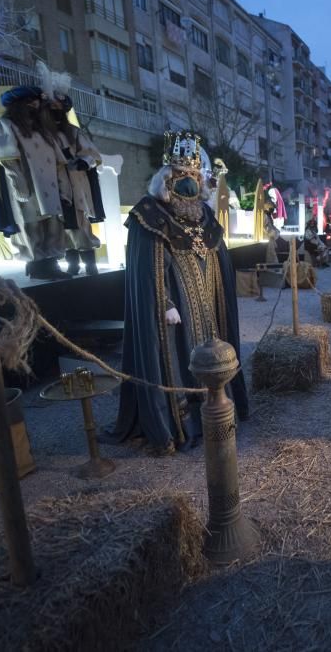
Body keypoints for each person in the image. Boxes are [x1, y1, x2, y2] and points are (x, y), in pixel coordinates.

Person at [111, 130, 249, 455]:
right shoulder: (150, 214)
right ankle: (182, 422)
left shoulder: (205, 215)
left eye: (193, 175)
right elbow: (149, 268)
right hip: (177, 312)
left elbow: (217, 253)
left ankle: (217, 409)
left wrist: (220, 292)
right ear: (166, 177)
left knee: (212, 352)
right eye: (180, 176)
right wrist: (165, 302)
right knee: (179, 358)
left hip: (207, 303)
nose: (188, 182)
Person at [0, 85, 72, 280]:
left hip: (49, 187)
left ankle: (51, 262)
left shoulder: (44, 132)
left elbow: (59, 163)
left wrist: (64, 189)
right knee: (31, 225)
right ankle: (36, 264)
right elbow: (7, 158)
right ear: (18, 105)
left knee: (52, 223)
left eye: (37, 101)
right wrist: (19, 184)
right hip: (28, 185)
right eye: (30, 102)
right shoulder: (6, 125)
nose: (35, 105)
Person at [39, 78, 106, 276]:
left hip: (75, 181)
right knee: (63, 226)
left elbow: (93, 154)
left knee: (80, 223)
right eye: (51, 107)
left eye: (58, 107)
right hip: (54, 183)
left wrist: (82, 161)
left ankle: (90, 264)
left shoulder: (74, 132)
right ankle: (72, 264)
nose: (54, 110)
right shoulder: (42, 134)